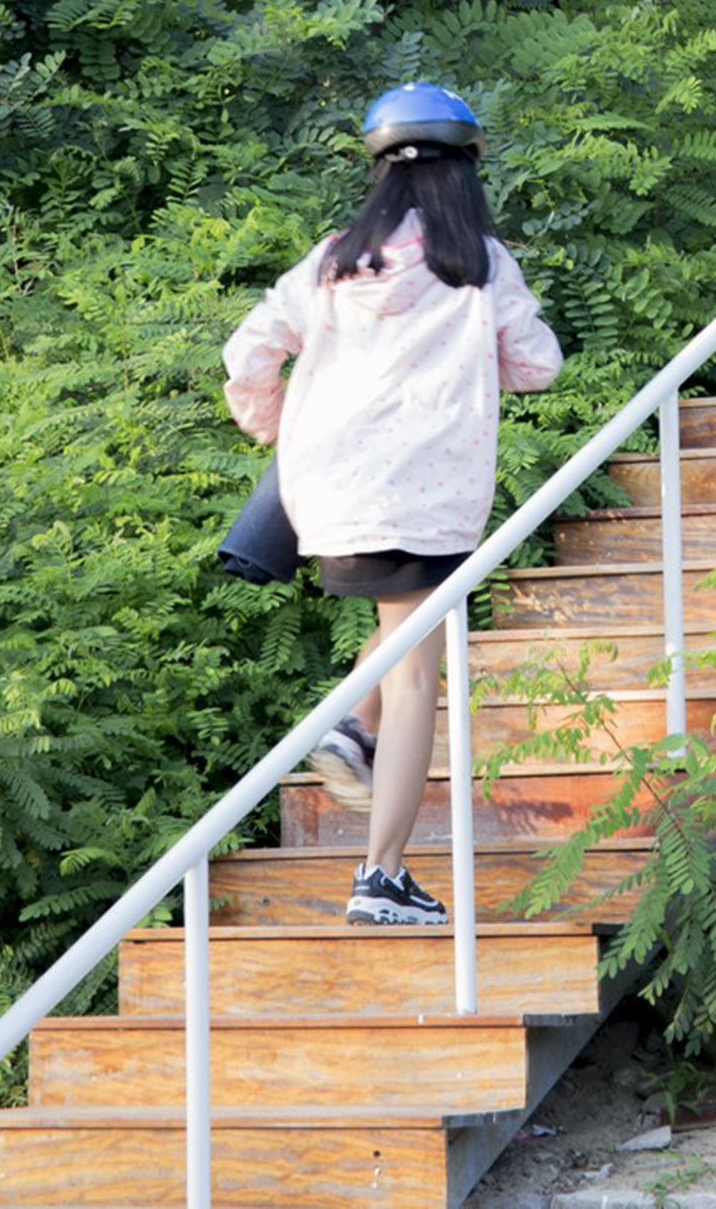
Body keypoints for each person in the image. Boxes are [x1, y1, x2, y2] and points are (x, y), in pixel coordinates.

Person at [222, 82, 562, 926]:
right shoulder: (480, 265)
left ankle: (348, 728)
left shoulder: (333, 260)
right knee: (417, 675)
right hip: (428, 493)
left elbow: (248, 351)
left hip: (329, 493)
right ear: (465, 176)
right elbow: (539, 366)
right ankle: (381, 876)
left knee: (399, 630)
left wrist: (275, 430)